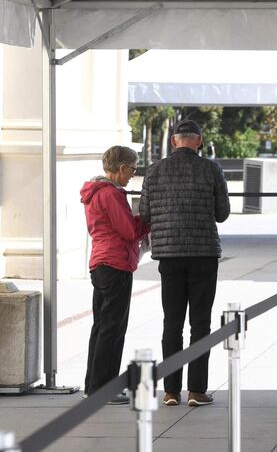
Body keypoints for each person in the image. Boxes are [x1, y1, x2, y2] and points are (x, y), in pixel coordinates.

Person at [139, 119, 230, 407]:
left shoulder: (154, 171)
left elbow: (143, 213)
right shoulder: (211, 169)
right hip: (203, 253)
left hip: (169, 254)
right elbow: (222, 213)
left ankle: (170, 391)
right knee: (200, 323)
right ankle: (196, 391)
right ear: (199, 141)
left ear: (173, 141)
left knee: (172, 323)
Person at [81, 146, 149, 404]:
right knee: (113, 328)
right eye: (132, 169)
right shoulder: (110, 194)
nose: (133, 174)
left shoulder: (94, 192)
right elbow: (129, 230)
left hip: (100, 263)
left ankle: (93, 385)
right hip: (116, 264)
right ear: (121, 168)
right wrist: (147, 220)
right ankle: (103, 389)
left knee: (101, 326)